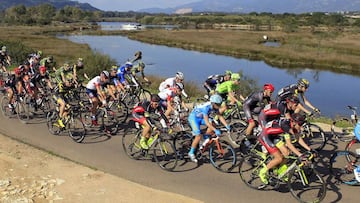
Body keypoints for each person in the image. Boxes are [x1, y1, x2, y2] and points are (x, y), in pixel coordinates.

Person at [258, 113, 314, 185]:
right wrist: (300, 155)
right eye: (299, 125)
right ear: (294, 122)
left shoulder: (293, 125)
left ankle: (281, 170)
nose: (301, 127)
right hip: (265, 137)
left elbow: (298, 138)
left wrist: (310, 149)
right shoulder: (286, 126)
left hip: (273, 136)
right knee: (279, 158)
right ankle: (262, 172)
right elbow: (289, 144)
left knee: (287, 153)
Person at [187, 94, 231, 163]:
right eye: (218, 104)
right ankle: (191, 152)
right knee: (198, 135)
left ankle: (204, 138)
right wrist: (215, 130)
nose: (219, 106)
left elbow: (220, 116)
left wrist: (226, 125)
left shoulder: (214, 106)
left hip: (200, 118)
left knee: (213, 122)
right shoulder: (206, 107)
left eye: (220, 104)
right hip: (193, 118)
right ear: (213, 103)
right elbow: (207, 123)